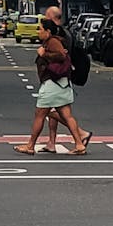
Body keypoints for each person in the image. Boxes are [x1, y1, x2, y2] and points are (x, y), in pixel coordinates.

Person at [14, 8, 87, 156]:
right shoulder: (55, 39)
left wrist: (44, 54)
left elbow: (60, 55)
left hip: (53, 83)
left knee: (40, 114)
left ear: (48, 31)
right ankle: (79, 144)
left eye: (40, 29)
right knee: (66, 115)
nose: (38, 32)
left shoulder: (53, 41)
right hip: (62, 83)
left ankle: (30, 145)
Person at [36, 11, 91, 154]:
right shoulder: (62, 33)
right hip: (60, 78)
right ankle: (54, 142)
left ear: (55, 18)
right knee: (57, 112)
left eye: (48, 17)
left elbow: (62, 55)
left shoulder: (58, 35)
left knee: (47, 111)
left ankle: (79, 135)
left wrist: (44, 55)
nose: (45, 19)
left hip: (58, 78)